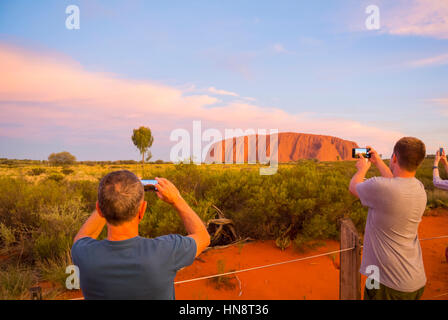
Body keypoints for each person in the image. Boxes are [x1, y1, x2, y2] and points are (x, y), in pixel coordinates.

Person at [71, 170, 210, 300]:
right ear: (142, 210)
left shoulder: (84, 253)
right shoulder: (165, 251)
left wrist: (111, 200)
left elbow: (81, 238)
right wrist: (177, 199)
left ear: (99, 210)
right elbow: (203, 236)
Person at [349, 137, 427, 300]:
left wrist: (362, 169)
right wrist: (377, 162)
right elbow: (396, 182)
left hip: (385, 282)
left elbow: (353, 186)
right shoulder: (419, 188)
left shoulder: (380, 186)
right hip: (415, 279)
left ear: (394, 158)